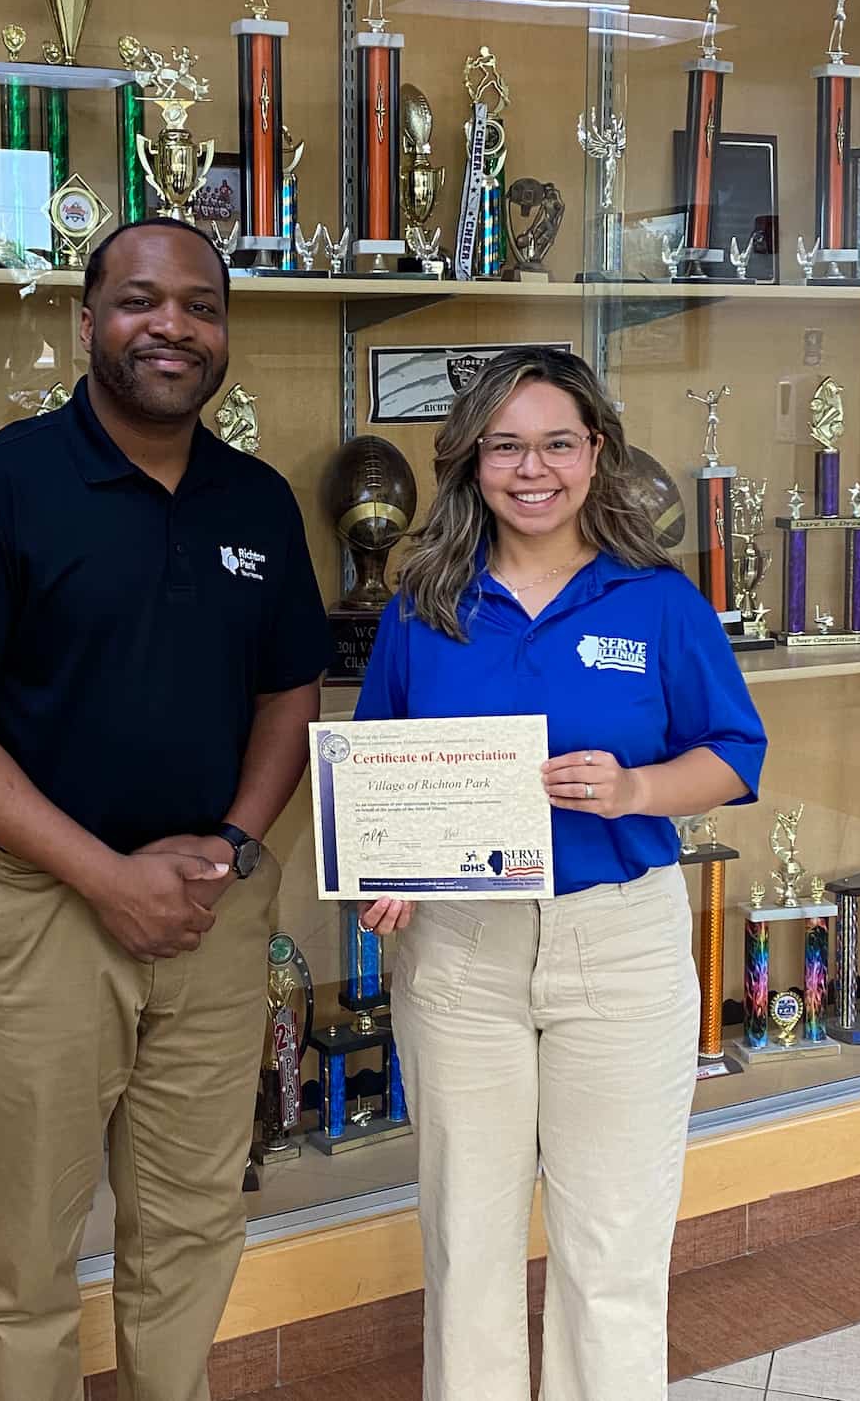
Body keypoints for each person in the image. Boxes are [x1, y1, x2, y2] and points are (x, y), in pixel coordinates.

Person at [0, 217, 331, 1401]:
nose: (170, 325)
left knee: (190, 1226)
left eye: (198, 304)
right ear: (86, 323)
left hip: (211, 915)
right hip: (40, 917)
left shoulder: (257, 503)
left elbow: (292, 691)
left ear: (222, 333)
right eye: (138, 301)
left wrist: (235, 844)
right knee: (26, 1250)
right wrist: (104, 875)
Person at [355, 346, 766, 1401]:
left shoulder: (656, 602)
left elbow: (730, 754)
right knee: (466, 1251)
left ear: (594, 454)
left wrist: (633, 790)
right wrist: (385, 867)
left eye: (555, 443)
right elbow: (375, 761)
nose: (529, 469)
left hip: (617, 947)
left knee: (612, 1255)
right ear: (469, 461)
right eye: (504, 446)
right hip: (460, 960)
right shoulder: (423, 604)